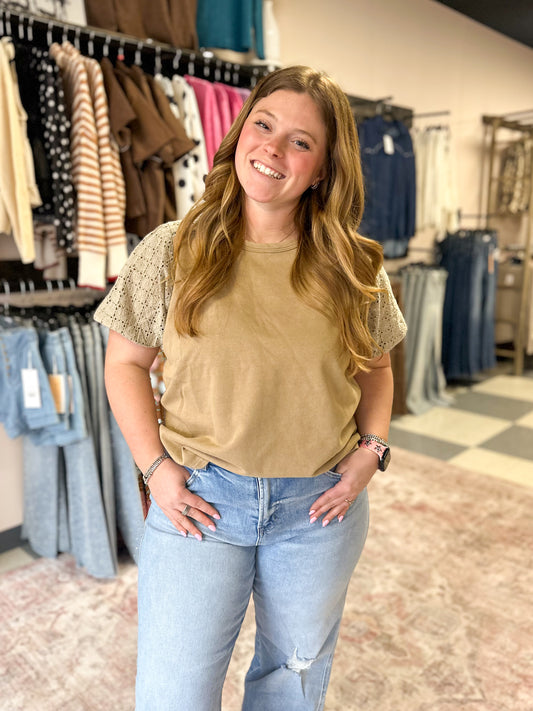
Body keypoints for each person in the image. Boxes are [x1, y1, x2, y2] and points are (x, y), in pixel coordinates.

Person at [94, 64, 407, 711]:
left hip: (319, 509)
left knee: (292, 682)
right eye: (262, 125)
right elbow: (123, 363)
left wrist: (371, 451)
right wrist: (154, 469)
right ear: (239, 133)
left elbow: (375, 369)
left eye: (300, 141)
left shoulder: (354, 265)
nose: (271, 148)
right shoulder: (171, 248)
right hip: (201, 500)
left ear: (323, 169)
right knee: (174, 693)